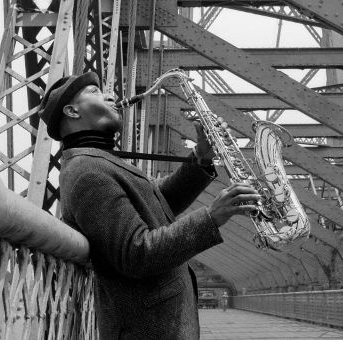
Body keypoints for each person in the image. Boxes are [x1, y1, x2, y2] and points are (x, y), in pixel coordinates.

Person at [39, 72, 260, 339]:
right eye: (95, 92)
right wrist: (211, 217)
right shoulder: (88, 172)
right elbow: (137, 253)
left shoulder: (98, 160)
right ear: (72, 111)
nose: (111, 96)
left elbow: (156, 201)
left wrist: (200, 158)